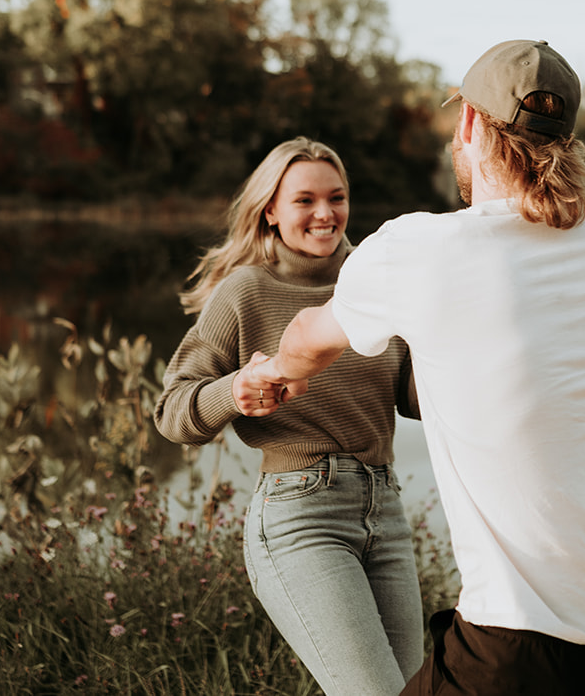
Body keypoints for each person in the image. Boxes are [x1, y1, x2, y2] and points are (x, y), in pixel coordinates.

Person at [256, 41, 585, 696]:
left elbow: (309, 334)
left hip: (518, 649)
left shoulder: (422, 250)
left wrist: (279, 369)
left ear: (470, 126)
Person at [152, 137, 424, 696]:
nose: (325, 213)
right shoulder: (246, 291)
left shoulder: (375, 288)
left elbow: (412, 397)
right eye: (305, 200)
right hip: (302, 516)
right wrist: (235, 390)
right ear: (270, 210)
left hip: (387, 509)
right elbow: (171, 412)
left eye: (337, 197)